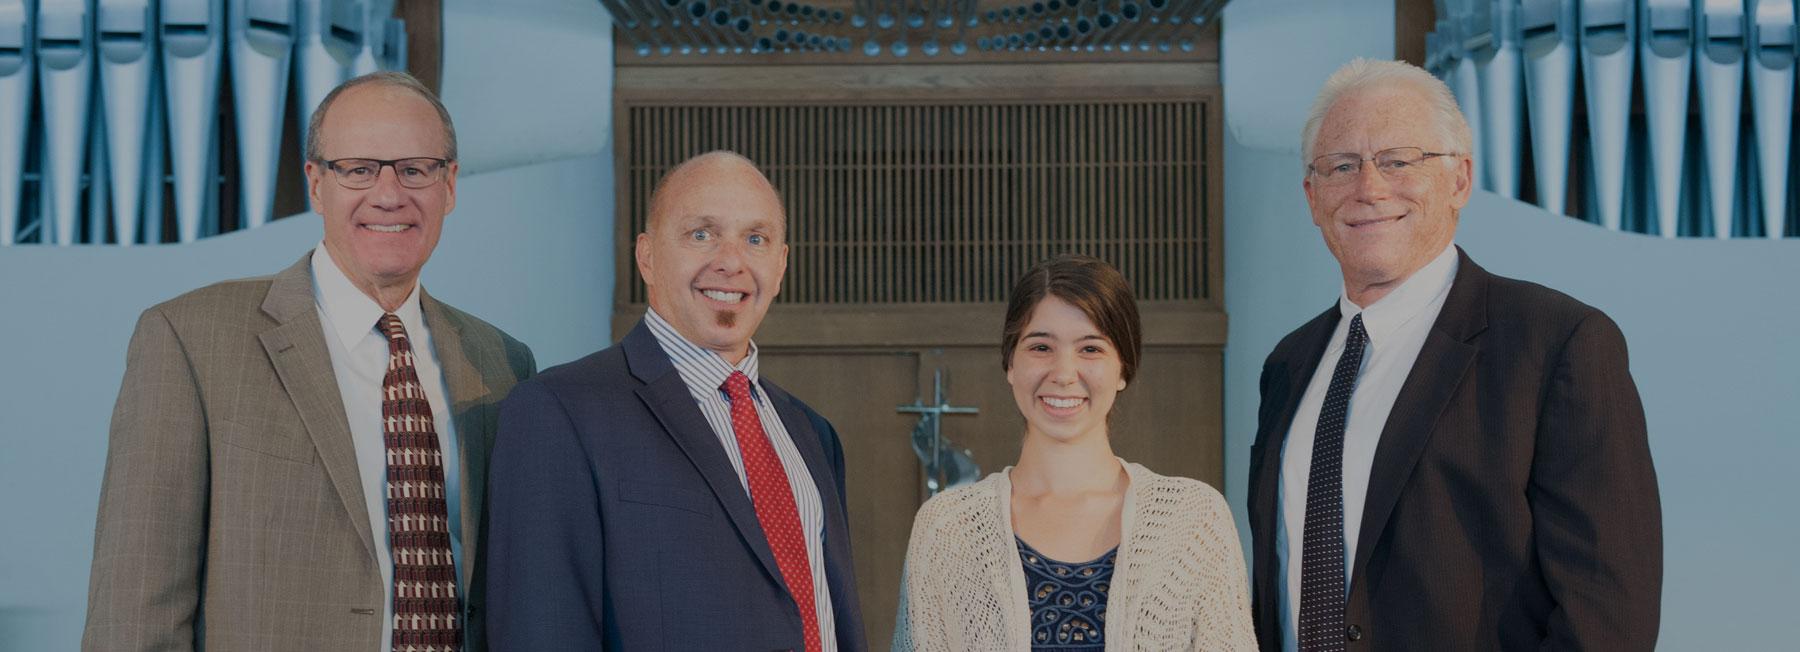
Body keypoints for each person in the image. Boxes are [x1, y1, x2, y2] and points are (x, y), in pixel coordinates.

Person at [82, 71, 535, 652]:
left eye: (415, 169)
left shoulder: (503, 363)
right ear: (317, 184)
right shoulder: (191, 339)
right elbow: (135, 603)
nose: (389, 194)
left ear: (449, 186)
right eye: (359, 169)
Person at [1246, 58, 1662, 651]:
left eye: (1399, 160)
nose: (1369, 187)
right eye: (1343, 166)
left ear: (1460, 180)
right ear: (1313, 196)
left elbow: (1607, 614)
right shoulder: (1288, 365)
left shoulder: (1557, 344)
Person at [484, 151, 865, 651]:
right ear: (647, 256)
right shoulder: (559, 413)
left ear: (781, 265)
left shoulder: (813, 434)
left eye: (756, 239)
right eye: (702, 233)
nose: (731, 261)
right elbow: (543, 632)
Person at [893, 254, 1255, 651]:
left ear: (1122, 369)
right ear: (1010, 363)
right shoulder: (947, 528)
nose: (1064, 374)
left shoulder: (1194, 519)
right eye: (1041, 346)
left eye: (1090, 349)